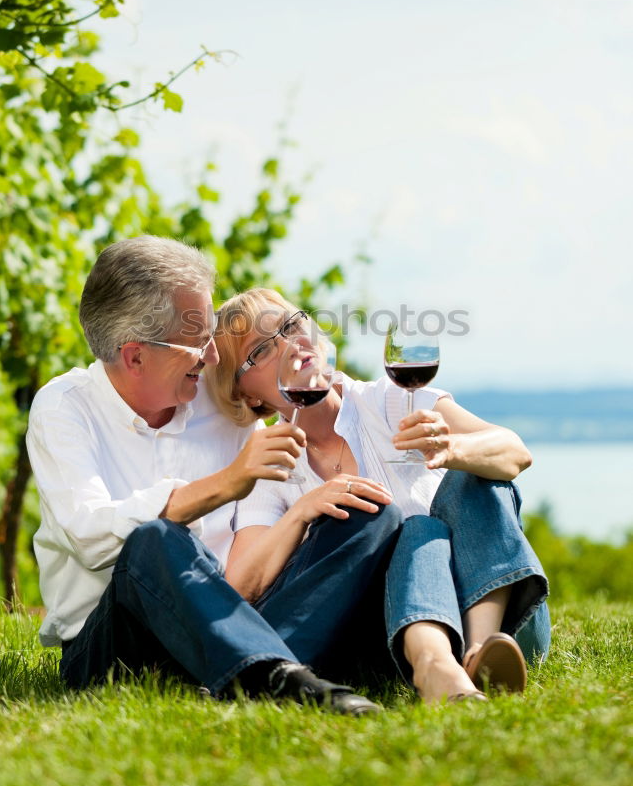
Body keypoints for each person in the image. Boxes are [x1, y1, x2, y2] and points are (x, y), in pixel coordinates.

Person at [27, 236, 410, 715]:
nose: (211, 355)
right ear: (135, 357)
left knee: (366, 512)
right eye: (196, 342)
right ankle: (278, 673)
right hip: (119, 646)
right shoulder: (64, 409)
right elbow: (88, 535)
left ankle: (263, 674)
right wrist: (226, 483)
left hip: (241, 616)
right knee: (155, 539)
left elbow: (296, 375)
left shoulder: (219, 393)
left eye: (210, 335)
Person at [206, 288, 551, 704]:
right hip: (396, 631)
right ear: (247, 395)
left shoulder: (390, 401)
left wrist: (451, 449)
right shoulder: (271, 461)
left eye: (292, 324)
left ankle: (482, 650)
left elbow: (515, 451)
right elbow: (242, 584)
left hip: (507, 616)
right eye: (262, 348)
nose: (289, 344)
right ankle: (441, 665)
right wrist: (300, 512)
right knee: (417, 528)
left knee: (474, 470)